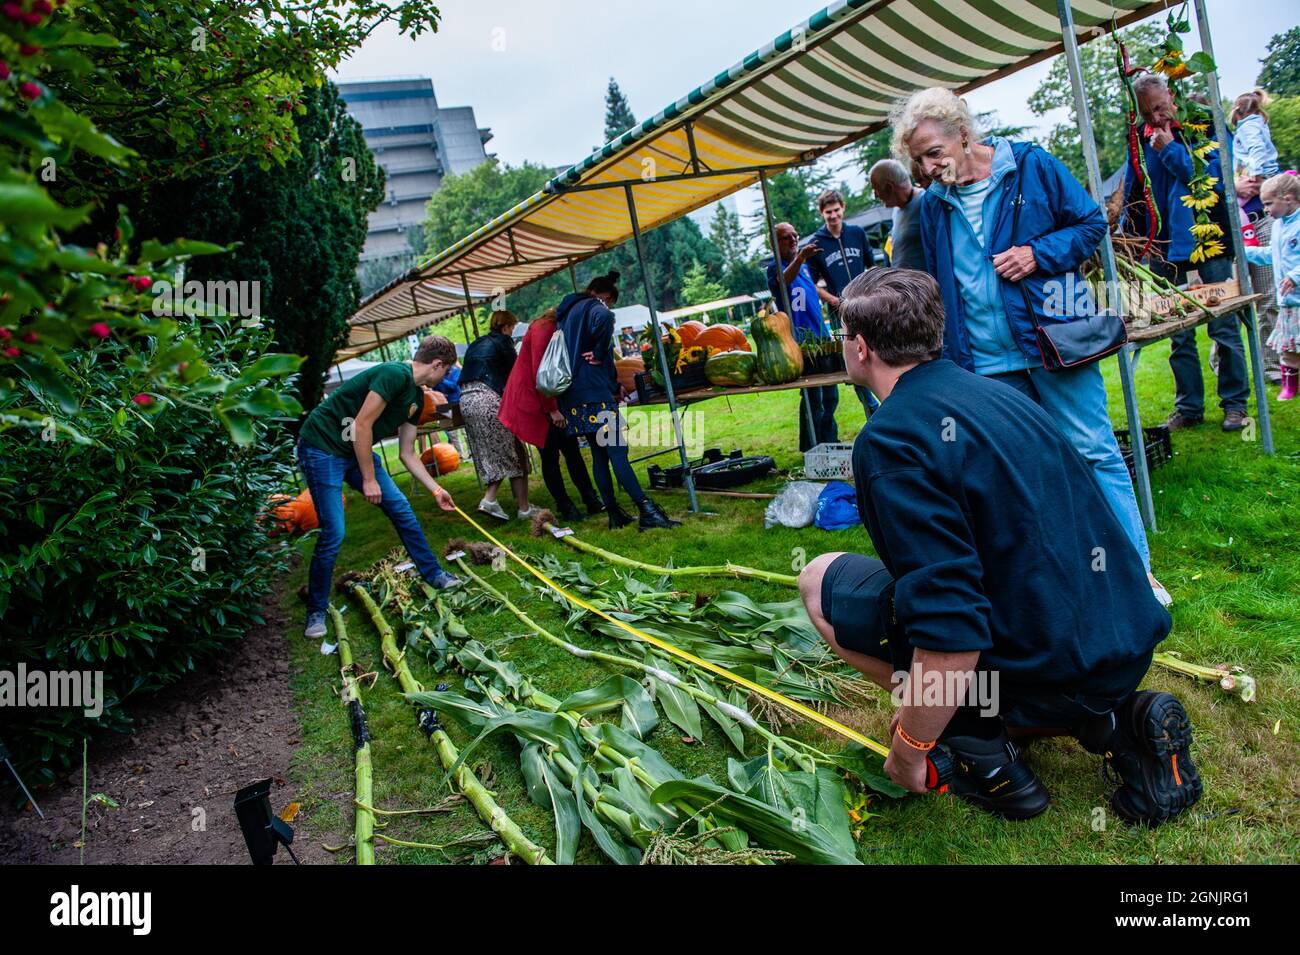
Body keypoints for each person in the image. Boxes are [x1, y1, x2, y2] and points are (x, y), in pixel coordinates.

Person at [798, 268, 1200, 826]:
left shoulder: (890, 439)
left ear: (861, 347)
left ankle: (984, 755)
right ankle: (1114, 724)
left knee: (820, 580)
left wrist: (910, 750)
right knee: (991, 601)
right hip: (1122, 643)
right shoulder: (1003, 394)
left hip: (1046, 666)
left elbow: (950, 625)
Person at [895, 87, 1166, 605]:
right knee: (1022, 474)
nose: (928, 168)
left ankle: (1136, 578)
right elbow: (937, 282)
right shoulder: (933, 207)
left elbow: (1090, 223)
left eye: (933, 152)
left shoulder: (1031, 167)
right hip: (984, 363)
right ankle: (1067, 583)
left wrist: (1037, 253)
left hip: (1052, 340)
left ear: (963, 134)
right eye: (918, 161)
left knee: (1092, 453)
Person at [297, 335, 462, 638]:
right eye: (447, 371)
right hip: (321, 447)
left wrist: (435, 490)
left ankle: (434, 573)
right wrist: (369, 478)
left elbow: (407, 453)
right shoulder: (393, 374)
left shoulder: (416, 399)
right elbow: (362, 424)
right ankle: (316, 611)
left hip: (353, 450)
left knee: (402, 510)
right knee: (334, 531)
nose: (446, 377)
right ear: (437, 364)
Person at [1125, 73, 1249, 433]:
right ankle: (1189, 407)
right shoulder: (1138, 138)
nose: (1157, 120)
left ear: (1173, 95)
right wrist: (1133, 239)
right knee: (1176, 330)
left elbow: (1213, 176)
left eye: (1161, 109)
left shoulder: (1205, 123)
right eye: (1148, 115)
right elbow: (1135, 188)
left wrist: (1170, 149)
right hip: (1164, 246)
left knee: (1223, 324)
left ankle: (1236, 405)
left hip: (1209, 238)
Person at [556, 270, 679, 531]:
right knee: (617, 451)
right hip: (594, 396)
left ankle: (614, 514)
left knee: (600, 455)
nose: (610, 307)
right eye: (610, 301)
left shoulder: (566, 314)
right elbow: (605, 317)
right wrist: (601, 352)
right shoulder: (594, 307)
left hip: (575, 396)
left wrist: (612, 383)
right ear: (605, 296)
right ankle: (647, 510)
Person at [499, 307, 605, 521]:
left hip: (551, 399)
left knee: (572, 450)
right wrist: (552, 410)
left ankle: (591, 500)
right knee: (550, 456)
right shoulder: (542, 328)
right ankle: (566, 506)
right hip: (535, 400)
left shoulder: (558, 327)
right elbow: (543, 373)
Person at [806, 189, 880, 418]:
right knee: (856, 359)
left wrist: (873, 291)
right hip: (840, 312)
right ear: (821, 213)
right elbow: (812, 284)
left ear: (843, 208)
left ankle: (886, 401)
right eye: (828, 212)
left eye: (836, 210)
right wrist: (834, 300)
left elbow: (872, 265)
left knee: (878, 351)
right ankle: (873, 410)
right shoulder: (816, 243)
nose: (833, 216)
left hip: (866, 305)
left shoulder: (857, 233)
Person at [766, 222, 839, 451]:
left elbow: (812, 288)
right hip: (801, 341)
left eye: (795, 235)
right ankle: (812, 446)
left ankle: (829, 440)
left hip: (821, 338)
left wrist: (833, 300)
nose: (794, 239)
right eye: (786, 237)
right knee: (812, 398)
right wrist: (801, 258)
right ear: (775, 244)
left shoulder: (805, 267)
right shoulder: (775, 268)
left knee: (831, 395)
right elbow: (784, 280)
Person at [459, 309, 536, 521]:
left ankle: (524, 507)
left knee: (500, 453)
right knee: (511, 453)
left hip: (466, 402)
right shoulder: (504, 343)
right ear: (505, 327)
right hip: (489, 400)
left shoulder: (476, 343)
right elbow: (516, 374)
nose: (512, 331)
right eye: (512, 327)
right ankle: (491, 500)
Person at [1233, 90, 1284, 385]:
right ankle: (1223, 364)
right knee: (1233, 302)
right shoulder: (1234, 138)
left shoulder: (1249, 130)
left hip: (1260, 221)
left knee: (1268, 297)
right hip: (1235, 227)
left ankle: (1272, 367)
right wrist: (1238, 182)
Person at [1244, 173, 1300, 400]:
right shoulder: (1277, 227)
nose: (1265, 209)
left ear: (1287, 199)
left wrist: (1295, 276)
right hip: (1287, 301)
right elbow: (1272, 255)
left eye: (1268, 203)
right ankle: (1289, 384)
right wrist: (1246, 252)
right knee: (1287, 348)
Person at [869, 158, 926, 270]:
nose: (876, 196)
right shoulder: (897, 209)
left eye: (876, 189)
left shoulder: (924, 202)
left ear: (890, 187)